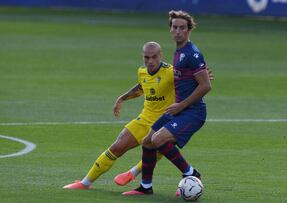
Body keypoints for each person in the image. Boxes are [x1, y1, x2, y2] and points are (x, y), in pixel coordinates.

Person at [63, 42, 213, 189]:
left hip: (165, 122)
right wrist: (122, 98)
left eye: (154, 57)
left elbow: (192, 78)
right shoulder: (142, 71)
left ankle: (136, 174)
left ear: (161, 55)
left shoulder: (171, 72)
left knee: (157, 148)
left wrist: (204, 75)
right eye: (147, 57)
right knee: (117, 147)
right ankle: (85, 183)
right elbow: (142, 86)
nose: (150, 61)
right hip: (145, 119)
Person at [122, 10, 211, 196]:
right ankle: (146, 187)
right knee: (147, 141)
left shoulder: (192, 54)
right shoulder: (179, 53)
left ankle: (191, 173)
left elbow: (205, 86)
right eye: (174, 27)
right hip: (179, 109)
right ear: (170, 30)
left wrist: (181, 105)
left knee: (158, 139)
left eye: (182, 28)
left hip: (193, 112)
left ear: (189, 30)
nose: (178, 31)